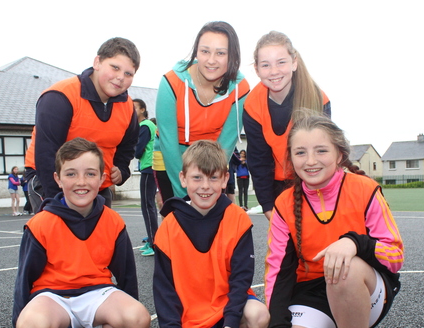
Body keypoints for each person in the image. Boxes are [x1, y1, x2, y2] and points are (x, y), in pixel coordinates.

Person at [264, 110, 403, 328]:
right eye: (300, 152)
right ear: (291, 157)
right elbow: (278, 271)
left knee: (343, 268)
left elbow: (394, 257)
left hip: (363, 287)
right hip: (313, 291)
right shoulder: (285, 204)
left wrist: (354, 243)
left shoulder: (364, 190)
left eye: (321, 150)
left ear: (340, 154)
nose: (310, 160)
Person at [9, 138, 151, 328]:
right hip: (53, 298)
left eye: (90, 174)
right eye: (71, 174)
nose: (81, 182)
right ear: (58, 178)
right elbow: (24, 281)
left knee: (138, 320)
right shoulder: (41, 223)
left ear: (102, 178)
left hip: (96, 294)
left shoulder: (112, 221)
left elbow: (127, 278)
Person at [153, 140, 269, 328]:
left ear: (225, 179)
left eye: (213, 178)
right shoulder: (168, 227)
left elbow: (241, 279)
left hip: (226, 303)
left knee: (259, 316)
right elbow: (164, 288)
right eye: (197, 178)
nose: (205, 186)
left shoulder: (237, 218)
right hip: (191, 313)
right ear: (183, 179)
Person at [24, 37, 140, 212]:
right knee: (60, 235)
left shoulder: (128, 107)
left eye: (128, 73)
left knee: (99, 236)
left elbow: (128, 145)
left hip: (96, 183)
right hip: (51, 180)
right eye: (115, 67)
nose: (120, 77)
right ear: (98, 62)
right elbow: (46, 155)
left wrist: (122, 169)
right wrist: (58, 204)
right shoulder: (59, 97)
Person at [154, 21, 250, 201]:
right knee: (177, 219)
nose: (211, 60)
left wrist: (211, 181)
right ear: (196, 51)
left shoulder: (241, 88)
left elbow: (226, 145)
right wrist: (184, 193)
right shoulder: (171, 82)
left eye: (220, 53)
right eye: (205, 51)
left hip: (212, 157)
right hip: (171, 156)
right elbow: (168, 142)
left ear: (232, 56)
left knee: (210, 223)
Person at [243, 31, 331, 219]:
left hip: (313, 181)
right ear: (257, 69)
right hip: (277, 187)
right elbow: (259, 161)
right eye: (265, 65)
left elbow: (324, 154)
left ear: (294, 62)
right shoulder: (252, 106)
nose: (274, 71)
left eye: (281, 62)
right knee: (285, 245)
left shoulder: (318, 99)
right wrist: (267, 206)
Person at [133, 98, 158, 257]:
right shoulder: (150, 125)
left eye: (134, 108)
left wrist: (135, 151)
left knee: (147, 205)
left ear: (142, 109)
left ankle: (154, 242)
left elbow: (138, 150)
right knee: (149, 205)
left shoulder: (144, 126)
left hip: (149, 167)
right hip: (152, 166)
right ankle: (152, 238)